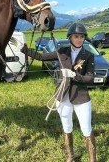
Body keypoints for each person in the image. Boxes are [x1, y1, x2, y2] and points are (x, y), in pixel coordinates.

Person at [18, 22, 96, 162]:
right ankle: (70, 156)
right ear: (70, 38)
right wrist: (24, 49)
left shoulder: (88, 55)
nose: (79, 39)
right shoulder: (61, 52)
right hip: (63, 96)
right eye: (76, 36)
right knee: (67, 128)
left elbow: (90, 78)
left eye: (82, 37)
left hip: (81, 97)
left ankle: (92, 160)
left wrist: (74, 76)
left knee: (86, 129)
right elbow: (41, 57)